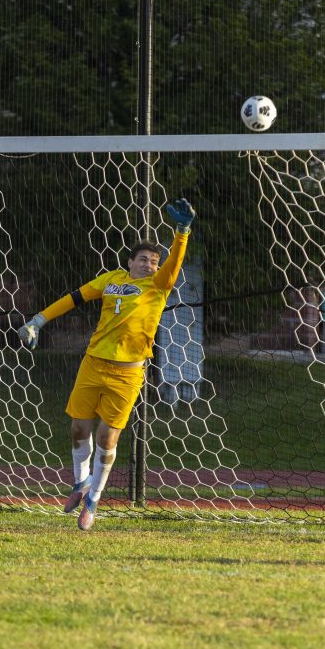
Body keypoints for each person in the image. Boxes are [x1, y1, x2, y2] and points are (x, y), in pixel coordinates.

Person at [18, 198, 195, 530]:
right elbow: (73, 298)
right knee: (77, 429)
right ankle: (79, 484)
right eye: (143, 259)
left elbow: (174, 265)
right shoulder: (111, 279)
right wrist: (37, 321)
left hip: (127, 374)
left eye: (155, 261)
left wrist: (181, 232)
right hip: (93, 364)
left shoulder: (157, 287)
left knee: (106, 438)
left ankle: (94, 499)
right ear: (129, 261)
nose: (150, 264)